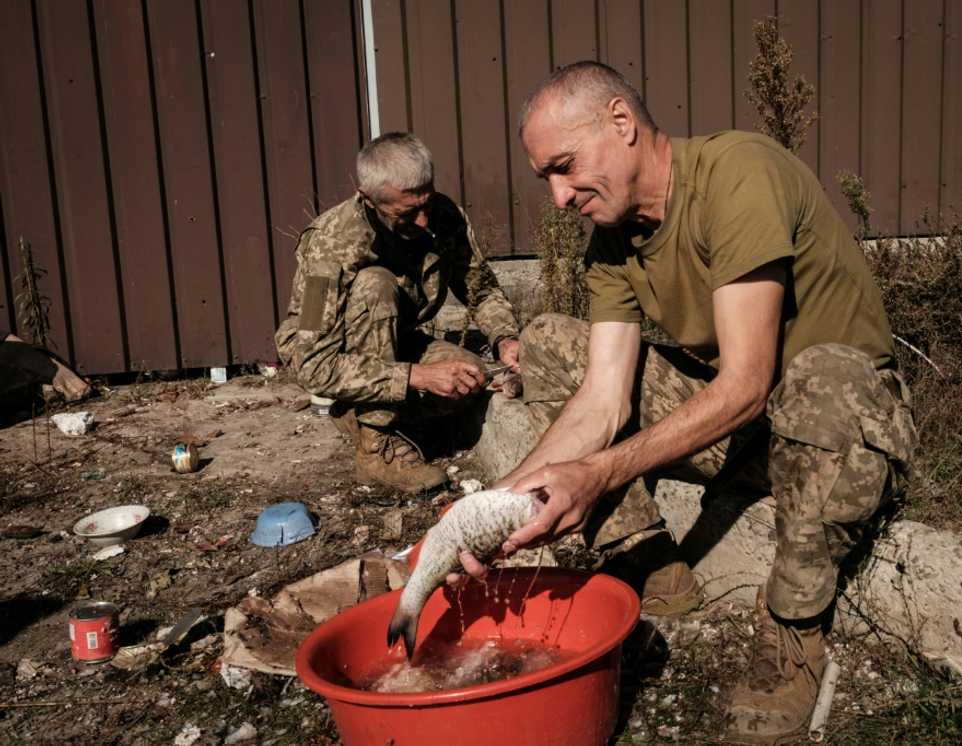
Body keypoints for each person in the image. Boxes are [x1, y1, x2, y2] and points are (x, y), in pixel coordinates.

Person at [460, 61, 917, 744]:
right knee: (553, 341)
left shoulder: (738, 174)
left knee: (824, 378)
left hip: (841, 420)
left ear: (622, 122)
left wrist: (600, 473)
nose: (557, 197)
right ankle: (647, 558)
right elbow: (602, 400)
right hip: (754, 427)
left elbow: (747, 383)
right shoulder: (611, 241)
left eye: (564, 166)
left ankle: (792, 632)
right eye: (545, 179)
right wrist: (491, 508)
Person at [275, 133, 521, 493]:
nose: (424, 221)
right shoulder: (330, 245)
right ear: (369, 199)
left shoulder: (443, 216)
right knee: (375, 285)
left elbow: (479, 289)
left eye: (427, 203)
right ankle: (376, 448)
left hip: (398, 341)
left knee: (472, 379)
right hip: (335, 353)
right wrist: (418, 377)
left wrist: (505, 337)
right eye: (407, 213)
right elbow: (313, 363)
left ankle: (354, 412)